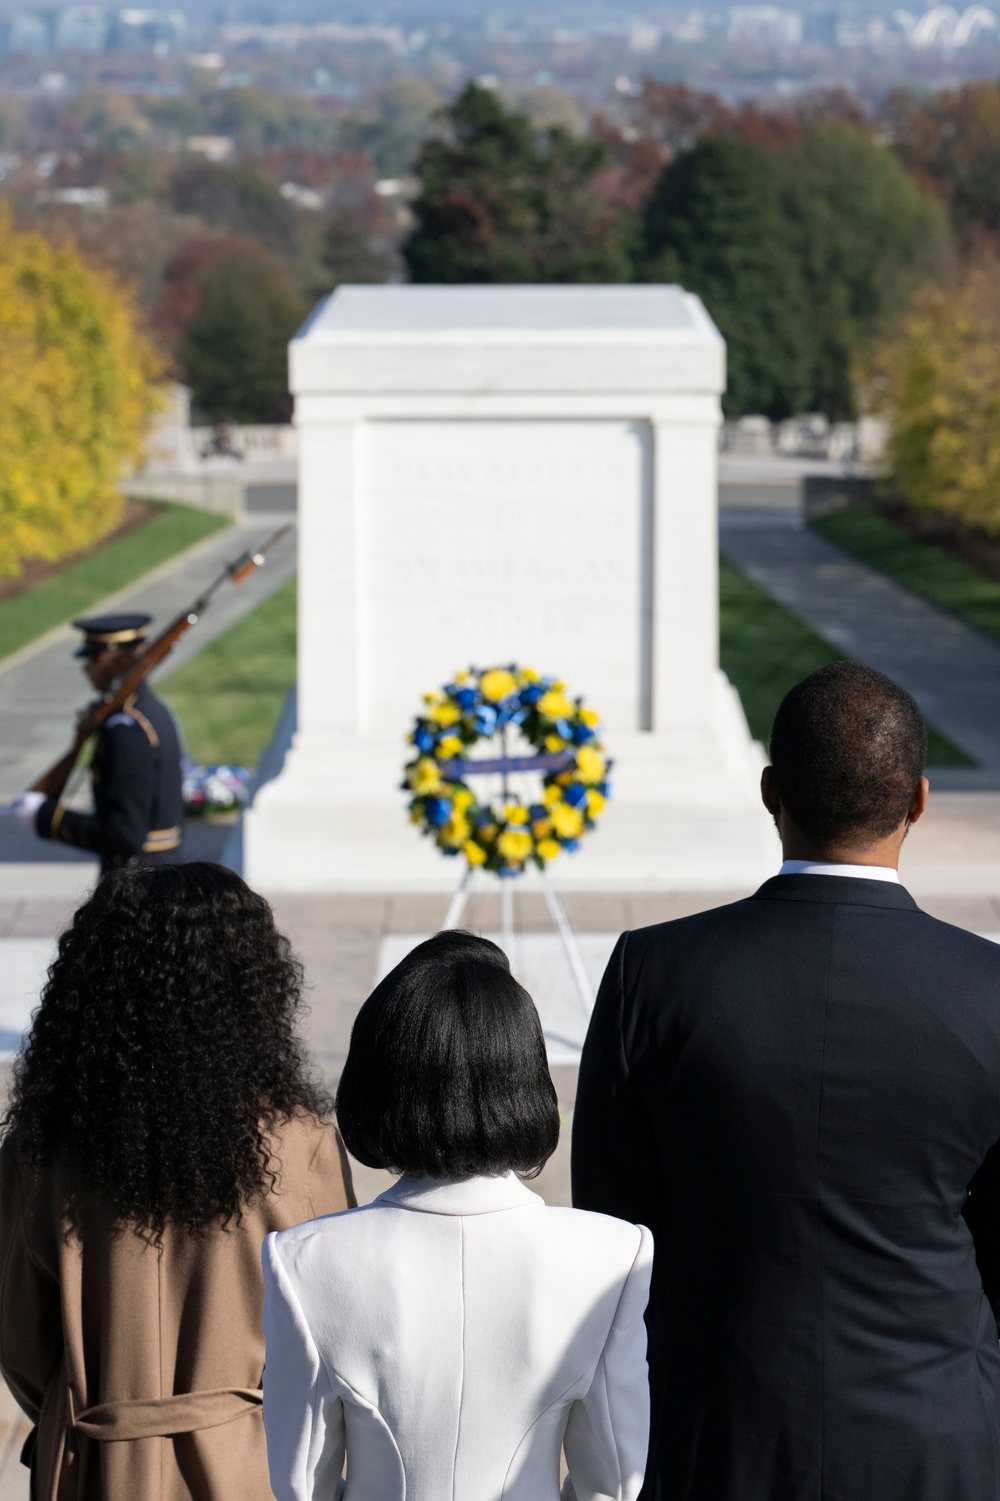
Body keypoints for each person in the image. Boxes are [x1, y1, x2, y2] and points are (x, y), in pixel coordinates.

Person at [573, 661, 1000, 1501]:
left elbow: (614, 1232)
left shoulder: (651, 975)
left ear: (770, 791)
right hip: (935, 1439)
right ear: (918, 800)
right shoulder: (988, 991)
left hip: (716, 1430)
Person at [0, 861, 354, 1501]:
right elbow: (336, 1339)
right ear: (251, 986)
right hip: (250, 1467)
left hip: (90, 1467)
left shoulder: (40, 1153)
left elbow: (22, 1344)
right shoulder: (299, 1143)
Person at [261, 929, 653, 1501]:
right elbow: (614, 1481)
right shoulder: (613, 1255)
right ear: (524, 1077)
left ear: (378, 1081)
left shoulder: (303, 1261)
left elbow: (300, 1483)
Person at [13, 612, 185, 870]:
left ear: (118, 664)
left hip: (137, 883)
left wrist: (47, 818)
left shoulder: (127, 728)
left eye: (93, 658)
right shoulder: (149, 711)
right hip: (155, 873)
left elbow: (124, 835)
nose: (86, 667)